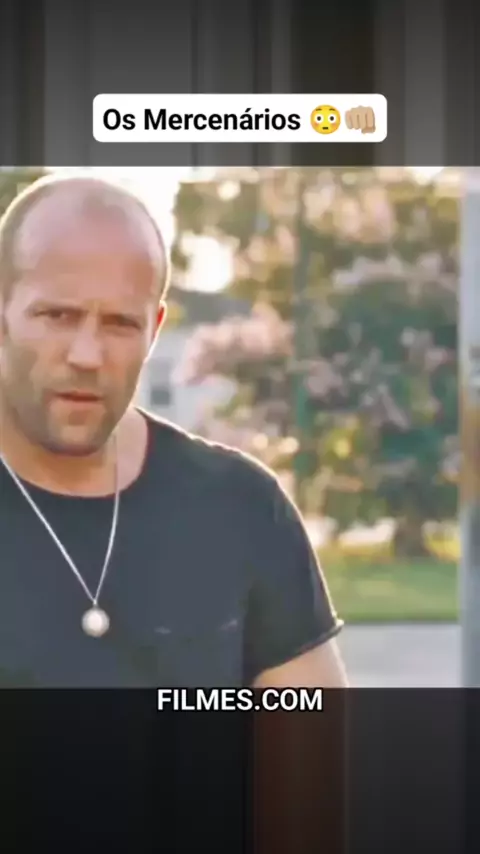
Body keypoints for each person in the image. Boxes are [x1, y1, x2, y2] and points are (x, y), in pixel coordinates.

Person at [0, 173, 347, 689]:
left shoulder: (242, 507)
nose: (87, 355)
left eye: (120, 323)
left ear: (155, 329)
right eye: (57, 316)